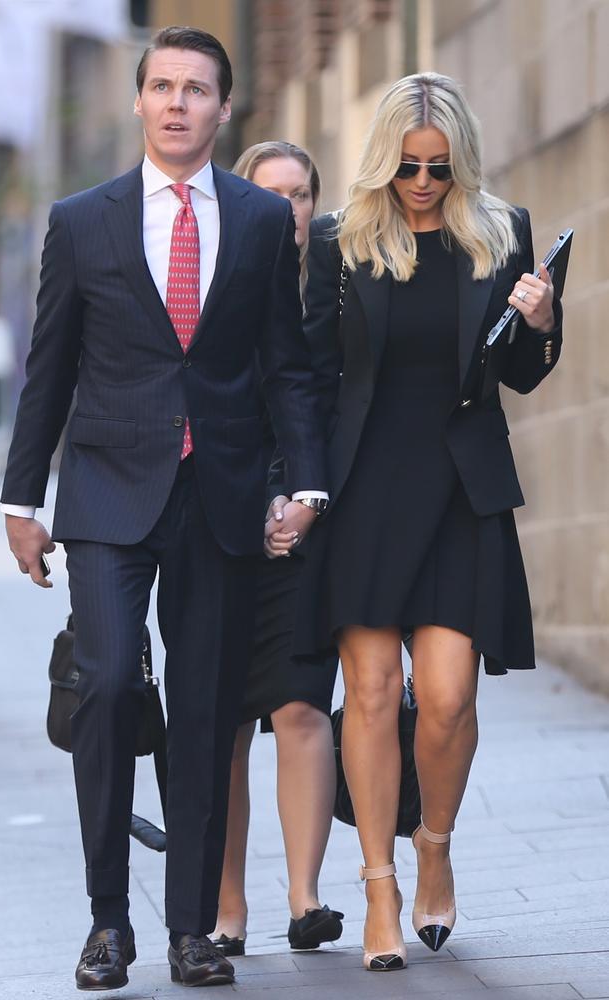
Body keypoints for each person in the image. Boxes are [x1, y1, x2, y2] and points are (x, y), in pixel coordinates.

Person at [0, 26, 328, 991]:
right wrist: (24, 500)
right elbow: (48, 368)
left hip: (220, 494)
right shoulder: (83, 220)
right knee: (104, 687)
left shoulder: (263, 224)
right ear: (139, 101)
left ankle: (191, 928)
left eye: (197, 90)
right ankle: (109, 919)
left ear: (226, 109)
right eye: (162, 86)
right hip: (106, 490)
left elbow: (289, 371)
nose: (178, 103)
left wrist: (303, 486)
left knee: (205, 709)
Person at [288, 71, 562, 972]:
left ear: (462, 164)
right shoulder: (342, 241)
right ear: (383, 162)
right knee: (367, 697)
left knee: (447, 699)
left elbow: (521, 374)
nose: (421, 183)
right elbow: (314, 375)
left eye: (438, 169)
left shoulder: (501, 231)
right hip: (364, 485)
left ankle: (434, 841)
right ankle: (379, 886)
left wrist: (540, 318)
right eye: (407, 166)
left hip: (459, 487)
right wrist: (304, 487)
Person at [210, 142, 342, 957]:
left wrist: (307, 502)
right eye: (271, 194)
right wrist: (253, 503)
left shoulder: (337, 287)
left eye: (300, 195)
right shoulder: (213, 283)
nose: (287, 210)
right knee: (221, 719)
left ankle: (305, 898)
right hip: (221, 528)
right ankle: (228, 909)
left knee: (298, 704)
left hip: (312, 524)